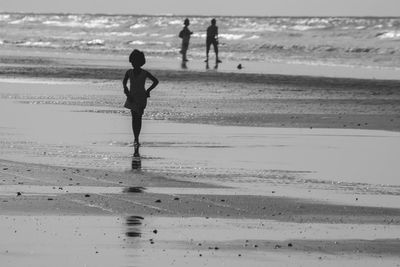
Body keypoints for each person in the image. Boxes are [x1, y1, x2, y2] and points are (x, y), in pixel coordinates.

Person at [123, 49, 159, 156]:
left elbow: (156, 81)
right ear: (131, 61)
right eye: (133, 62)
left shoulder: (145, 73)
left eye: (136, 62)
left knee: (138, 118)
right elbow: (124, 82)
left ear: (141, 62)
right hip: (132, 97)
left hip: (141, 98)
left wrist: (148, 90)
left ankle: (136, 138)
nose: (134, 64)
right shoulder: (129, 72)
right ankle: (136, 138)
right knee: (134, 118)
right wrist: (126, 91)